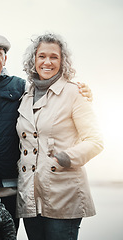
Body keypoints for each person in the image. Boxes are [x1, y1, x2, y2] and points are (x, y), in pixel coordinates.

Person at [0, 33, 93, 231]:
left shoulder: (20, 86)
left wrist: (85, 93)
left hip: (13, 190)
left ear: (5, 59)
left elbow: (53, 103)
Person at [16, 33, 104, 240]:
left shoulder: (75, 93)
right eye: (41, 56)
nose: (47, 62)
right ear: (33, 60)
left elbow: (95, 140)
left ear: (63, 61)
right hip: (30, 196)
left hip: (64, 192)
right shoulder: (25, 96)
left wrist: (63, 158)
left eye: (54, 57)